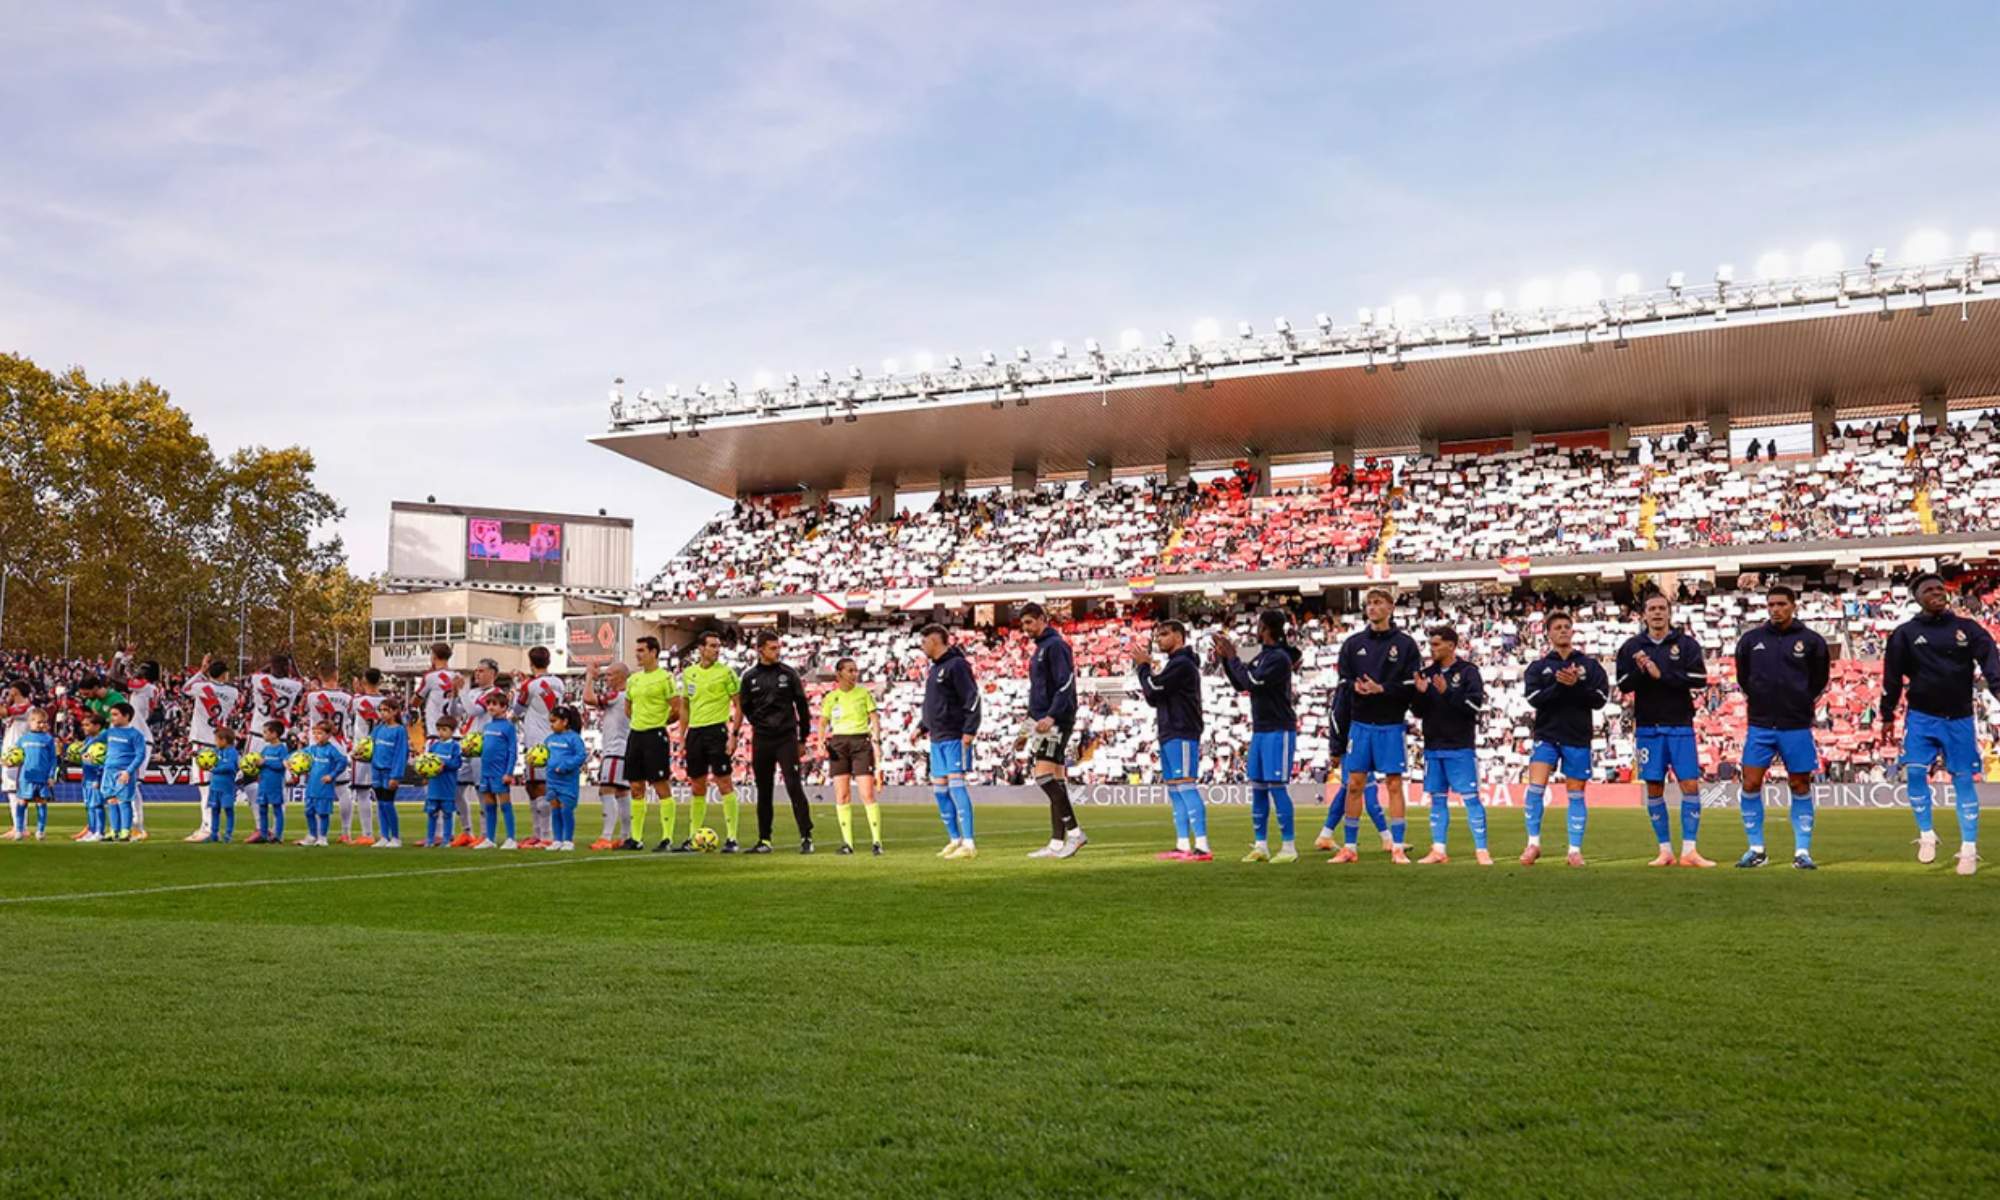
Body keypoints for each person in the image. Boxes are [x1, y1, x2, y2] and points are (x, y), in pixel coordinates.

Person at [1881, 573, 2000, 876]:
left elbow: (1992, 666)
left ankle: (1969, 849)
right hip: (1921, 716)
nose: (1936, 593)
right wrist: (1886, 714)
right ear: (1916, 597)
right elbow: (1892, 678)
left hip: (1959, 717)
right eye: (1928, 590)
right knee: (1915, 773)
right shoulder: (1905, 634)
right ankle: (1926, 834)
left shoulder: (1968, 629)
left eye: (1939, 588)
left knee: (1962, 780)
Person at [1733, 585, 1832, 869]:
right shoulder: (1751, 640)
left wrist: (1799, 699)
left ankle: (1802, 852)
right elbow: (1744, 678)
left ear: (1793, 606)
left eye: (1781, 604)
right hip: (1761, 724)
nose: (1776, 609)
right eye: (1771, 604)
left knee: (1799, 784)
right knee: (1750, 782)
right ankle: (1756, 849)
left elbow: (1818, 680)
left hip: (1796, 725)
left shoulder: (1811, 641)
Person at [1615, 592, 1715, 868]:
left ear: (1669, 613)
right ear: (1643, 614)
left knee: (1690, 784)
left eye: (1662, 608)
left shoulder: (1686, 644)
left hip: (1680, 724)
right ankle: (1665, 850)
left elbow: (1699, 679)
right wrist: (1643, 670)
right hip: (1648, 726)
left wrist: (1664, 674)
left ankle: (1690, 851)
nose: (1657, 613)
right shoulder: (1631, 647)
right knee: (1654, 786)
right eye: (1652, 609)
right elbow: (1623, 683)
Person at [1330, 589, 1420, 864]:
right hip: (1360, 724)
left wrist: (1381, 688)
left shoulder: (1405, 645)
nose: (1372, 607)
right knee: (1354, 784)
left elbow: (1411, 685)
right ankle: (1349, 847)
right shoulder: (1352, 644)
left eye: (1378, 602)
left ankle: (1398, 846)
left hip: (1391, 724)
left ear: (1391, 607)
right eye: (1369, 603)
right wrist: (1356, 687)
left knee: (1394, 784)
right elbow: (1343, 684)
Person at [1519, 611, 1609, 868]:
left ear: (1573, 631)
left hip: (1577, 736)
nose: (1563, 630)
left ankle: (1574, 850)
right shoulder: (1538, 667)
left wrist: (1575, 686)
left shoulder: (1589, 666)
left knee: (1576, 794)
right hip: (1547, 735)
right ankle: (1533, 843)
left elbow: (1600, 700)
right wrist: (1560, 685)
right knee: (1535, 788)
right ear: (1548, 633)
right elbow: (1534, 699)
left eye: (1567, 626)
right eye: (1557, 627)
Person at [1215, 608, 1303, 864]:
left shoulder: (1278, 659)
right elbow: (1241, 683)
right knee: (1259, 788)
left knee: (1277, 787)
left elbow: (1252, 681)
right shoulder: (1262, 656)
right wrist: (1225, 659)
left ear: (1265, 628)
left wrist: (1232, 658)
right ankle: (1261, 845)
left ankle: (1288, 847)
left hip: (1278, 728)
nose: (1255, 628)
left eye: (1259, 624)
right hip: (1261, 729)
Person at [1410, 625, 1490, 865]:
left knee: (1471, 798)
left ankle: (1482, 850)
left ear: (1451, 646)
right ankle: (1438, 849)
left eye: (1436, 644)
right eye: (1430, 644)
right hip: (1433, 746)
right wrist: (1420, 694)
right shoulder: (1426, 673)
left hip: (1460, 746)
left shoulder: (1468, 672)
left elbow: (1475, 707)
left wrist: (1448, 693)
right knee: (1437, 799)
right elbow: (1418, 712)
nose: (1431, 649)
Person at [1134, 618, 1209, 861]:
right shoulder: (1174, 665)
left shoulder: (1183, 665)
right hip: (1170, 730)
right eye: (1158, 635)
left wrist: (1143, 668)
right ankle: (1183, 844)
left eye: (1164, 634)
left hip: (1182, 729)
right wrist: (1146, 671)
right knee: (1176, 789)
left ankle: (1203, 845)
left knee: (1186, 785)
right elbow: (1153, 696)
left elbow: (1153, 690)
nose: (1159, 639)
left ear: (1179, 636)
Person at [1020, 603, 1086, 859]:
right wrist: (1025, 732)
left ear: (1042, 619)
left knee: (1043, 776)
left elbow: (1065, 683)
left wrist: (1051, 715)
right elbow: (1037, 694)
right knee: (1055, 779)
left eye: (1029, 622)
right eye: (1023, 624)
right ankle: (1057, 843)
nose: (1025, 628)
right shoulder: (1040, 649)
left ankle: (1075, 832)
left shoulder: (1055, 646)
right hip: (1043, 721)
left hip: (1055, 720)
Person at [741, 630, 815, 853]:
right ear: (760, 649)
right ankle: (764, 840)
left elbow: (802, 707)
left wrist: (803, 737)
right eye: (773, 648)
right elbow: (746, 707)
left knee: (793, 785)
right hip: (762, 739)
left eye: (778, 647)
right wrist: (758, 722)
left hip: (786, 738)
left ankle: (806, 836)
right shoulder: (749, 677)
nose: (777, 652)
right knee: (764, 790)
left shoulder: (788, 674)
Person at [670, 631, 743, 853]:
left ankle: (732, 838)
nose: (716, 650)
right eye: (712, 646)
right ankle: (694, 837)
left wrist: (734, 735)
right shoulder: (689, 673)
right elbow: (685, 707)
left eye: (718, 646)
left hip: (717, 731)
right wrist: (682, 737)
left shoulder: (727, 673)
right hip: (695, 734)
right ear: (700, 649)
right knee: (697, 784)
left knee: (724, 783)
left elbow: (739, 706)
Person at [919, 623, 981, 859]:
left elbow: (973, 698)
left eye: (924, 642)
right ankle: (954, 839)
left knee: (956, 786)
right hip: (936, 738)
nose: (922, 647)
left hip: (955, 735)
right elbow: (934, 705)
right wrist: (921, 726)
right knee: (940, 790)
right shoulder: (934, 670)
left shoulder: (956, 666)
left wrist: (969, 730)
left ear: (935, 641)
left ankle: (969, 842)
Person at [1313, 683, 1390, 856]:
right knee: (1368, 789)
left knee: (1346, 791)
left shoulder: (1351, 686)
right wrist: (1336, 748)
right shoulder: (1347, 687)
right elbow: (1336, 718)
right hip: (1353, 745)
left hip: (1355, 744)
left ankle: (1325, 835)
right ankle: (1387, 839)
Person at [623, 637, 682, 852]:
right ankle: (636, 838)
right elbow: (628, 708)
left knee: (660, 784)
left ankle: (667, 837)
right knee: (636, 786)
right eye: (636, 650)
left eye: (641, 650)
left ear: (654, 652)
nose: (637, 654)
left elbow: (676, 708)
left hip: (655, 735)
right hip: (636, 735)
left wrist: (659, 723)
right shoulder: (633, 680)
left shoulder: (665, 677)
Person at [820, 657, 883, 856]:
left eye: (856, 670)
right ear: (839, 674)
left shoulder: (863, 693)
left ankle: (877, 841)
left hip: (860, 742)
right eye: (850, 670)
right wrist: (822, 740)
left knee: (867, 794)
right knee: (842, 795)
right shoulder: (831, 697)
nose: (854, 674)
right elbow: (823, 721)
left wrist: (877, 741)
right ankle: (848, 843)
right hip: (838, 744)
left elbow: (874, 717)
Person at [180, 655, 241, 843]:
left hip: (201, 742)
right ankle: (210, 827)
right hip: (219, 740)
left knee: (204, 788)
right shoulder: (233, 692)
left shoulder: (201, 687)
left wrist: (201, 671)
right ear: (225, 674)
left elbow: (185, 689)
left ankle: (206, 827)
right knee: (211, 787)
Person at [513, 646, 567, 848]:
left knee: (538, 787)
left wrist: (519, 685)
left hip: (537, 742)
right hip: (554, 739)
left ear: (530, 662)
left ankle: (545, 835)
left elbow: (517, 710)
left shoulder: (530, 685)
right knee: (535, 786)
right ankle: (541, 834)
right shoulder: (559, 683)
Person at [451, 659, 506, 847]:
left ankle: (486, 834)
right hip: (467, 744)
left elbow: (474, 710)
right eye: (476, 671)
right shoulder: (473, 693)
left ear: (493, 674)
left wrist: (461, 692)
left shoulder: (495, 693)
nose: (477, 674)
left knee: (482, 791)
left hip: (483, 746)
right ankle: (466, 831)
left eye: (482, 671)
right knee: (456, 789)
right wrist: (453, 696)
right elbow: (455, 713)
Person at [581, 661, 633, 852]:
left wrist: (589, 677)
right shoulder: (628, 697)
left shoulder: (617, 696)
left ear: (621, 676)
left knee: (606, 791)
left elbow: (588, 698)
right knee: (622, 793)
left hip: (615, 750)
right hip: (624, 749)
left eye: (610, 675)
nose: (607, 679)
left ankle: (606, 836)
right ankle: (627, 836)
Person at [474, 691, 520, 850]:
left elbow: (512, 751)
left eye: (494, 704)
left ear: (504, 707)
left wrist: (509, 772)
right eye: (489, 704)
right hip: (485, 772)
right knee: (489, 805)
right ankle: (490, 838)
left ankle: (511, 838)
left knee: (505, 805)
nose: (490, 707)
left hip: (500, 772)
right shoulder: (487, 726)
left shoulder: (508, 727)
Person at [122, 662, 163, 839]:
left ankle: (138, 826)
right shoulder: (148, 689)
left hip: (140, 739)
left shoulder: (145, 687)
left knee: (132, 783)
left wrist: (123, 658)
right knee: (129, 783)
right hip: (138, 737)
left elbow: (120, 680)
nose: (137, 671)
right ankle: (133, 825)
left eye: (141, 669)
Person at [346, 670, 386, 845]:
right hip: (382, 749)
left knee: (362, 793)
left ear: (363, 681)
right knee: (382, 794)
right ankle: (386, 833)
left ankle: (367, 833)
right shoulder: (387, 702)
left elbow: (350, 709)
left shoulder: (358, 700)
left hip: (362, 750)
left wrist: (357, 691)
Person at [542, 704, 588, 852]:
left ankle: (568, 840)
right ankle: (557, 839)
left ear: (565, 721)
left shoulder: (574, 738)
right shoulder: (549, 739)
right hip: (552, 780)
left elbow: (581, 756)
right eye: (550, 721)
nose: (551, 725)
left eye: (554, 721)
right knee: (555, 808)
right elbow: (544, 755)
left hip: (567, 781)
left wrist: (565, 765)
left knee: (566, 810)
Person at [102, 702, 149, 843]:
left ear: (126, 716)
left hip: (124, 772)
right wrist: (83, 750)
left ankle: (125, 832)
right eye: (111, 715)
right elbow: (95, 742)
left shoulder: (135, 735)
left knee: (124, 801)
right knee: (111, 800)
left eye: (116, 715)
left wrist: (128, 772)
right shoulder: (109, 732)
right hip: (108, 771)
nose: (112, 718)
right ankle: (113, 831)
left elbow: (140, 755)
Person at [368, 696, 411, 848]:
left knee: (388, 804)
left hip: (389, 772)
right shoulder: (378, 729)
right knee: (380, 804)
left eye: (386, 710)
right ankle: (384, 836)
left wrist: (396, 775)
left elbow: (401, 754)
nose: (383, 713)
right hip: (376, 771)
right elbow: (369, 748)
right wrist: (360, 755)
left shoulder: (400, 730)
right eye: (381, 710)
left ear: (395, 712)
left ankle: (396, 837)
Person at [300, 720, 349, 848]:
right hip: (311, 787)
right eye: (314, 733)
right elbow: (298, 756)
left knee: (323, 813)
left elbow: (342, 762)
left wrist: (332, 775)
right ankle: (312, 835)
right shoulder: (312, 749)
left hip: (324, 788)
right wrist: (290, 762)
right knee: (309, 812)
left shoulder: (331, 750)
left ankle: (322, 837)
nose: (316, 736)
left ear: (328, 735)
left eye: (320, 733)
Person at [422, 716, 465, 848]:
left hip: (447, 786)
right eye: (439, 729)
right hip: (434, 786)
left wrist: (444, 764)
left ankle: (446, 839)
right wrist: (424, 774)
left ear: (452, 731)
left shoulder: (455, 747)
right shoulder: (434, 746)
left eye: (444, 730)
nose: (441, 732)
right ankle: (430, 839)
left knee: (447, 813)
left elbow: (457, 763)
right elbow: (426, 762)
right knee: (432, 813)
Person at [13, 707, 55, 841]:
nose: (42, 725)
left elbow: (53, 759)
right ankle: (19, 830)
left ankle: (40, 831)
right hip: (26, 777)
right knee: (22, 802)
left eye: (44, 722)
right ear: (30, 722)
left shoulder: (48, 739)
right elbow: (15, 756)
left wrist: (51, 775)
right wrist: (9, 761)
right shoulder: (23, 739)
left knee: (41, 803)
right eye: (39, 722)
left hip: (42, 778)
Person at [252, 719, 290, 846]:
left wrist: (265, 763)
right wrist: (256, 768)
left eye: (265, 732)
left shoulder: (282, 749)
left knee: (277, 810)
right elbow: (260, 762)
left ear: (274, 734)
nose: (263, 735)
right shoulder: (266, 749)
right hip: (263, 784)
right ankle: (263, 834)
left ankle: (277, 836)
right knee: (262, 809)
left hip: (275, 785)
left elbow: (282, 765)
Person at [2, 681, 31, 840]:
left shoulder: (26, 708)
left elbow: (3, 712)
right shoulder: (16, 710)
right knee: (11, 790)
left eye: (11, 692)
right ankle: (17, 826)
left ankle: (22, 827)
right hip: (9, 753)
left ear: (16, 692)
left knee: (17, 790)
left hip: (18, 754)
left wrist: (6, 702)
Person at [202, 727, 242, 844]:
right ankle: (214, 834)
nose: (215, 742)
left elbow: (230, 767)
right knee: (215, 810)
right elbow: (206, 756)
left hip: (226, 787)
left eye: (216, 740)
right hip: (215, 786)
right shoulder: (217, 751)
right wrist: (198, 755)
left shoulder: (233, 752)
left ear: (224, 740)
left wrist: (214, 769)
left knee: (228, 810)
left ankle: (228, 834)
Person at [413, 643, 459, 741]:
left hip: (435, 732)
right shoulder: (457, 676)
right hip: (454, 732)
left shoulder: (430, 676)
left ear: (434, 656)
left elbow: (416, 700)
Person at [76, 711, 109, 843]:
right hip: (87, 777)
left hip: (96, 777)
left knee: (97, 805)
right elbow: (87, 758)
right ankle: (91, 830)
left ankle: (99, 832)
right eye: (83, 725)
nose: (84, 727)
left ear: (97, 726)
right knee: (89, 805)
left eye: (87, 725)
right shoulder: (88, 740)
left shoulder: (102, 741)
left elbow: (101, 760)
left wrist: (99, 777)